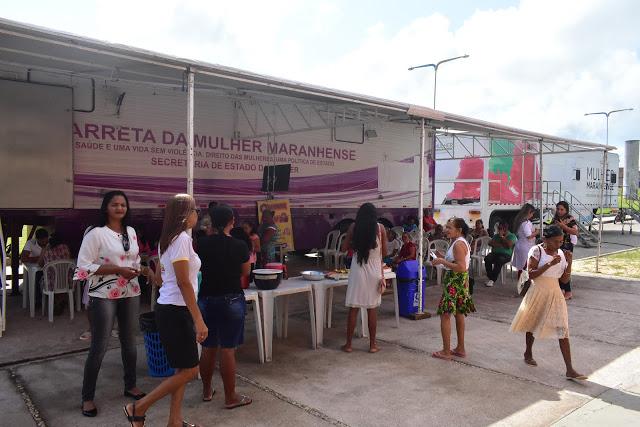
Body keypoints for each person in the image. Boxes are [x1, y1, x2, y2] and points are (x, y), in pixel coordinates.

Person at [123, 194, 207, 427]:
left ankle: (175, 421)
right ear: (185, 214)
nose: (196, 215)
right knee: (190, 370)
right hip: (176, 310)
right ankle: (138, 407)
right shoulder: (181, 240)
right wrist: (198, 319)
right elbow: (183, 282)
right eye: (194, 210)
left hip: (169, 308)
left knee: (182, 367)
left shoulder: (167, 240)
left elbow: (160, 278)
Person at [75, 191, 146, 418]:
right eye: (114, 204)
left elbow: (133, 259)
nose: (119, 208)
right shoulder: (96, 234)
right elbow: (83, 268)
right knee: (100, 345)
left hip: (130, 291)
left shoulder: (131, 232)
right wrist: (117, 269)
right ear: (106, 207)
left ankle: (130, 385)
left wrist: (139, 268)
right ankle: (87, 398)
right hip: (104, 294)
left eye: (123, 204)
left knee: (130, 342)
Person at [510, 225, 586, 380]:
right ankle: (528, 352)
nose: (559, 245)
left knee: (562, 328)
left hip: (555, 292)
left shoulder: (562, 254)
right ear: (546, 239)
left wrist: (569, 263)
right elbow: (531, 274)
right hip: (538, 291)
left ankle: (569, 369)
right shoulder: (537, 251)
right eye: (556, 242)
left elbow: (564, 280)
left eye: (561, 241)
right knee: (532, 323)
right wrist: (550, 264)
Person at [198, 205, 252, 409]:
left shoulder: (201, 244)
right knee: (228, 349)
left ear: (211, 222)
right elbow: (245, 271)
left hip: (206, 299)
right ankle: (230, 397)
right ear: (232, 222)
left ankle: (206, 391)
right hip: (231, 298)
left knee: (209, 347)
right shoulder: (239, 245)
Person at [341, 203, 387, 354]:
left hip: (358, 269)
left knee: (353, 308)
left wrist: (356, 245)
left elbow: (343, 248)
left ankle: (348, 345)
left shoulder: (354, 227)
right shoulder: (380, 229)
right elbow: (385, 252)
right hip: (374, 271)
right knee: (372, 308)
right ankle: (372, 345)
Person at [431, 218, 475, 360]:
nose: (446, 230)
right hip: (460, 282)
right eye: (446, 227)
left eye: (449, 227)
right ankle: (460, 348)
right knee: (459, 313)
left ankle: (446, 351)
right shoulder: (459, 243)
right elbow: (458, 262)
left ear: (459, 230)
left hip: (455, 282)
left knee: (445, 314)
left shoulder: (458, 245)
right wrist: (443, 258)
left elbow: (461, 267)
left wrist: (442, 261)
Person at [38, 233, 72, 315]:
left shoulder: (47, 251)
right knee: (63, 279)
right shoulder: (65, 248)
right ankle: (61, 300)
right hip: (67, 282)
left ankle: (55, 302)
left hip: (51, 283)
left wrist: (43, 250)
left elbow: (40, 264)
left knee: (41, 281)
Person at [553, 201, 578, 300]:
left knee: (565, 267)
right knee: (557, 267)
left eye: (562, 209)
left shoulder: (570, 219)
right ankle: (561, 289)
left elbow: (575, 232)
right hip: (556, 246)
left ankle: (568, 291)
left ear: (566, 210)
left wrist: (564, 227)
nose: (559, 211)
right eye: (558, 209)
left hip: (566, 246)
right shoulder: (555, 218)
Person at [484, 222, 517, 287]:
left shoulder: (512, 236)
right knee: (487, 258)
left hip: (505, 255)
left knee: (499, 260)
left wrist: (502, 237)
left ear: (505, 228)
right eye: (499, 228)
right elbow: (490, 243)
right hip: (495, 253)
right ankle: (491, 277)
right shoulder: (496, 236)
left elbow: (509, 245)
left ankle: (492, 280)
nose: (499, 230)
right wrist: (501, 245)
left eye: (500, 228)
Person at [512, 203, 539, 277]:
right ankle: (522, 286)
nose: (532, 215)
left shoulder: (520, 221)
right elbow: (529, 236)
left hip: (521, 245)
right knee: (524, 268)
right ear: (529, 212)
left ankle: (521, 285)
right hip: (525, 247)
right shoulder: (525, 223)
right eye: (532, 213)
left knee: (521, 268)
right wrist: (536, 232)